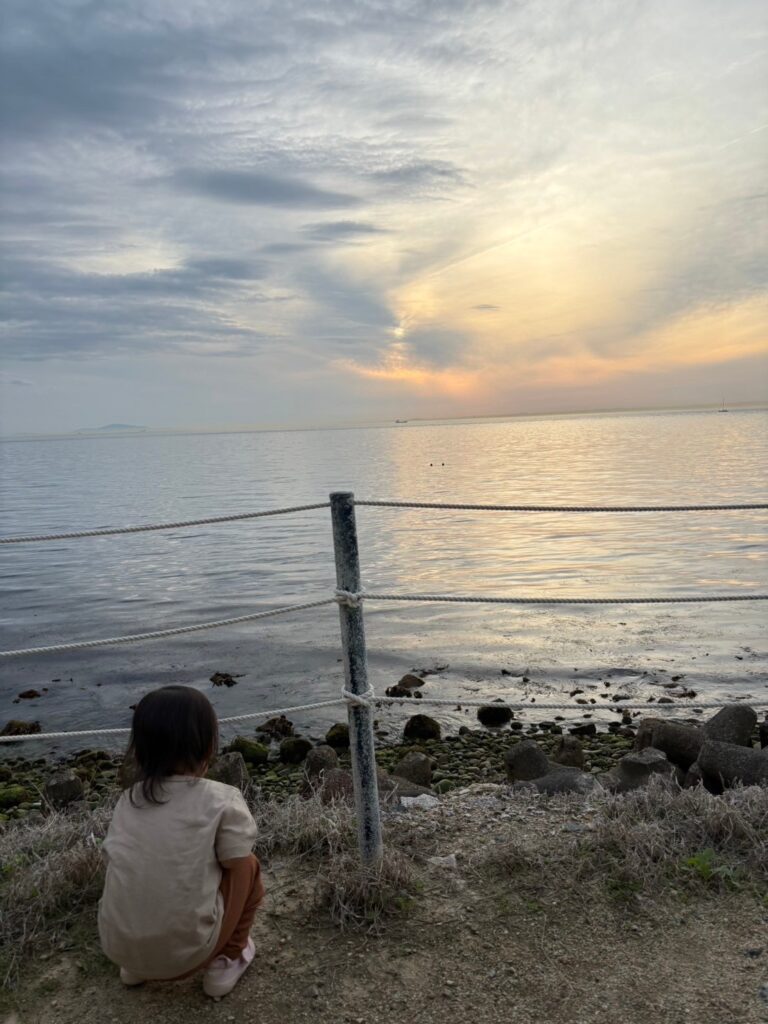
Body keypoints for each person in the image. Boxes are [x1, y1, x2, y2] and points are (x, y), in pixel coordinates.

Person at [98, 685, 264, 999]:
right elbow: (238, 868)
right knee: (248, 866)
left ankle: (136, 965)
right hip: (189, 957)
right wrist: (221, 940)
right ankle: (227, 958)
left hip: (117, 948)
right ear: (206, 747)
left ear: (142, 747)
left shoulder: (128, 800)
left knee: (139, 860)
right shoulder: (221, 799)